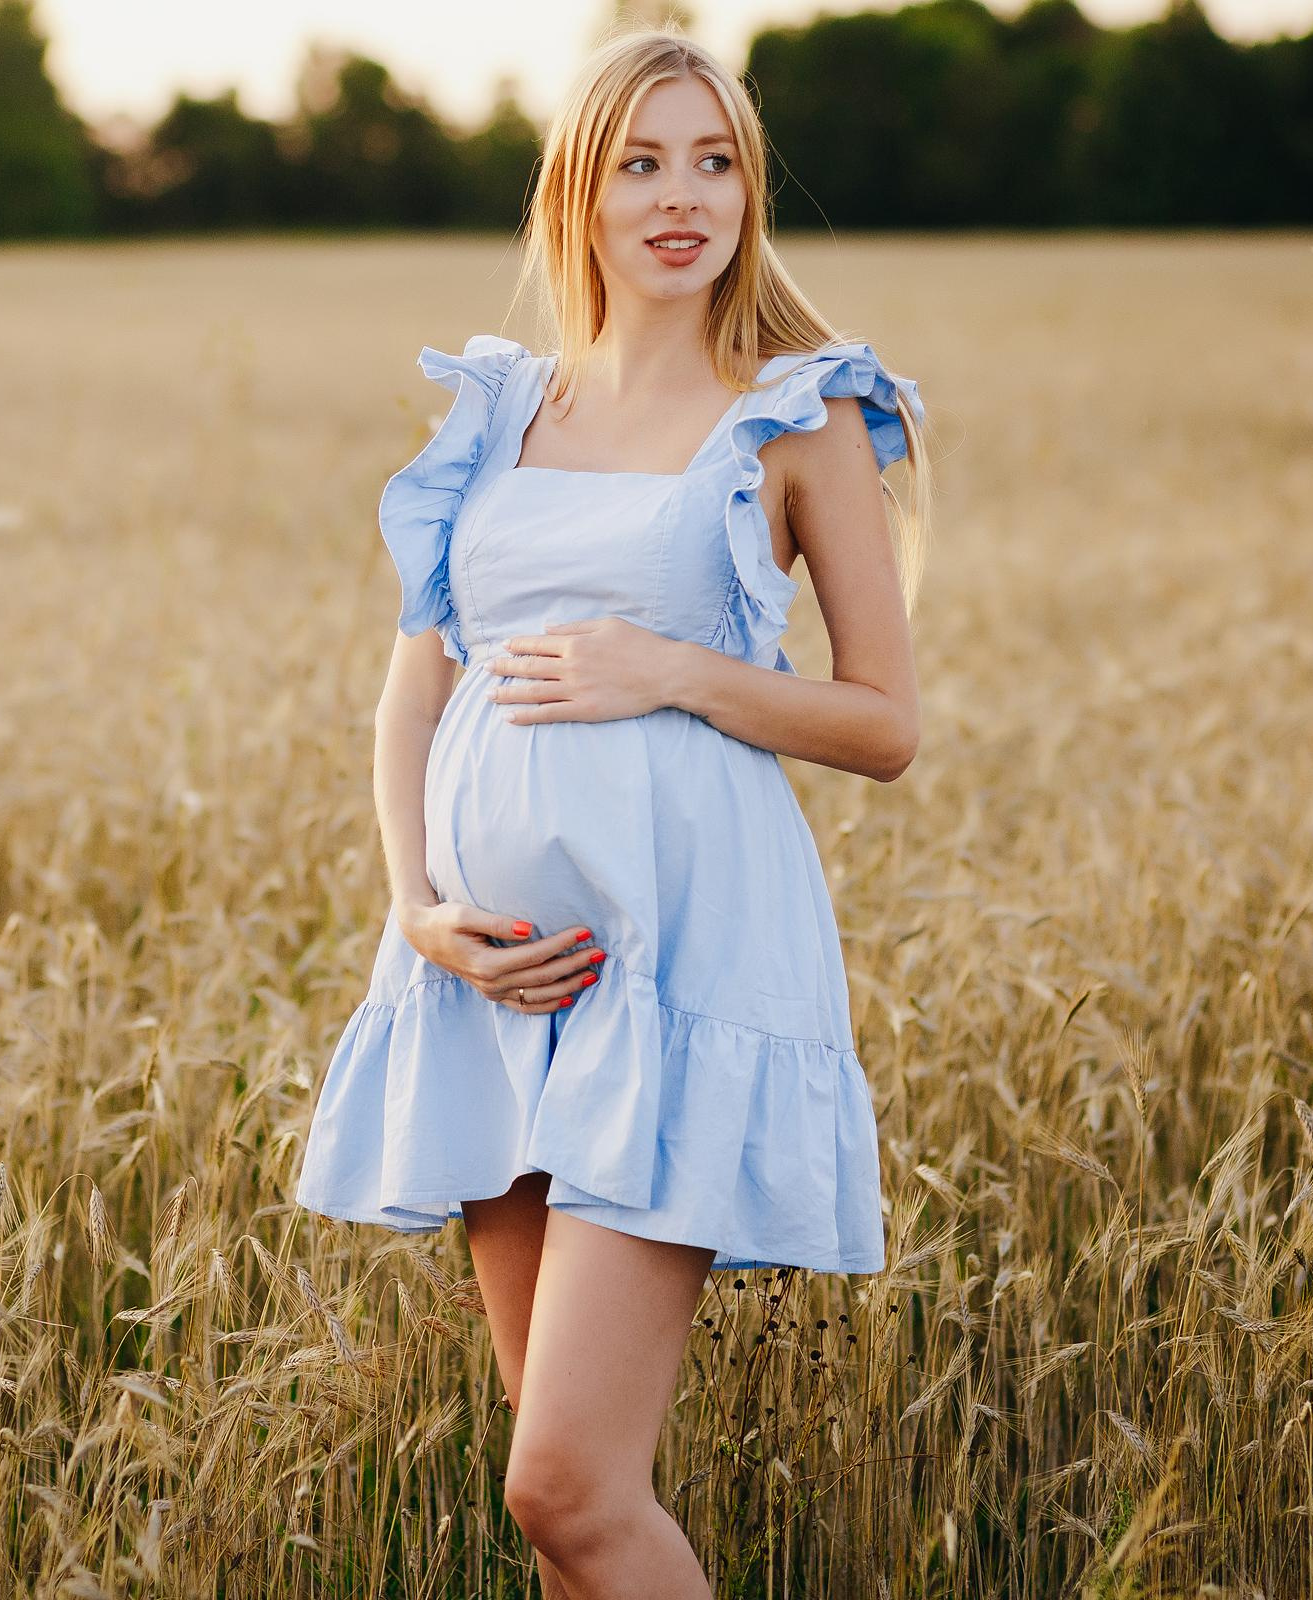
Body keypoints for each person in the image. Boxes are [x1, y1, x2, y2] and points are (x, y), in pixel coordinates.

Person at [292, 22, 933, 1595]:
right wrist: (417, 909)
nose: (682, 196)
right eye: (642, 162)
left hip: (676, 973)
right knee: (556, 1515)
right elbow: (414, 687)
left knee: (570, 1488)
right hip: (497, 978)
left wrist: (671, 667)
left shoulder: (797, 417)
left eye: (715, 162)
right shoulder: (500, 413)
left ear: (749, 191)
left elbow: (884, 725)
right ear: (577, 193)